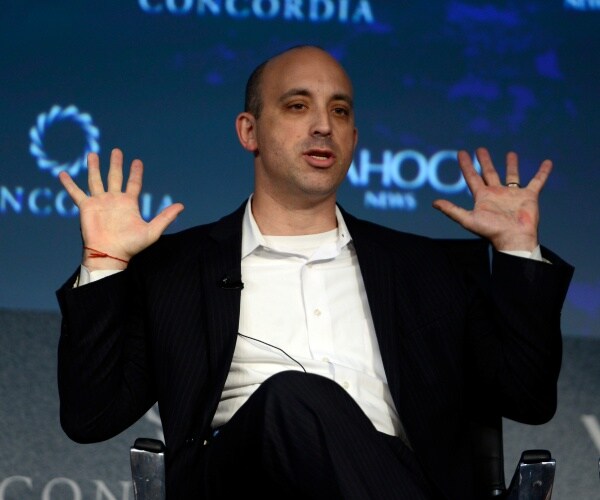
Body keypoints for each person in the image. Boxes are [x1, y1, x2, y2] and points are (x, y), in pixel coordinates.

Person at [56, 45, 574, 499]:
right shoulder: (174, 270)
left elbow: (527, 399)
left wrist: (516, 249)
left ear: (352, 136)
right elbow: (91, 417)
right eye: (297, 105)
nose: (323, 124)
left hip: (400, 477)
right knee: (293, 396)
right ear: (249, 130)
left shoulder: (429, 270)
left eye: (340, 110)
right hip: (240, 481)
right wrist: (104, 263)